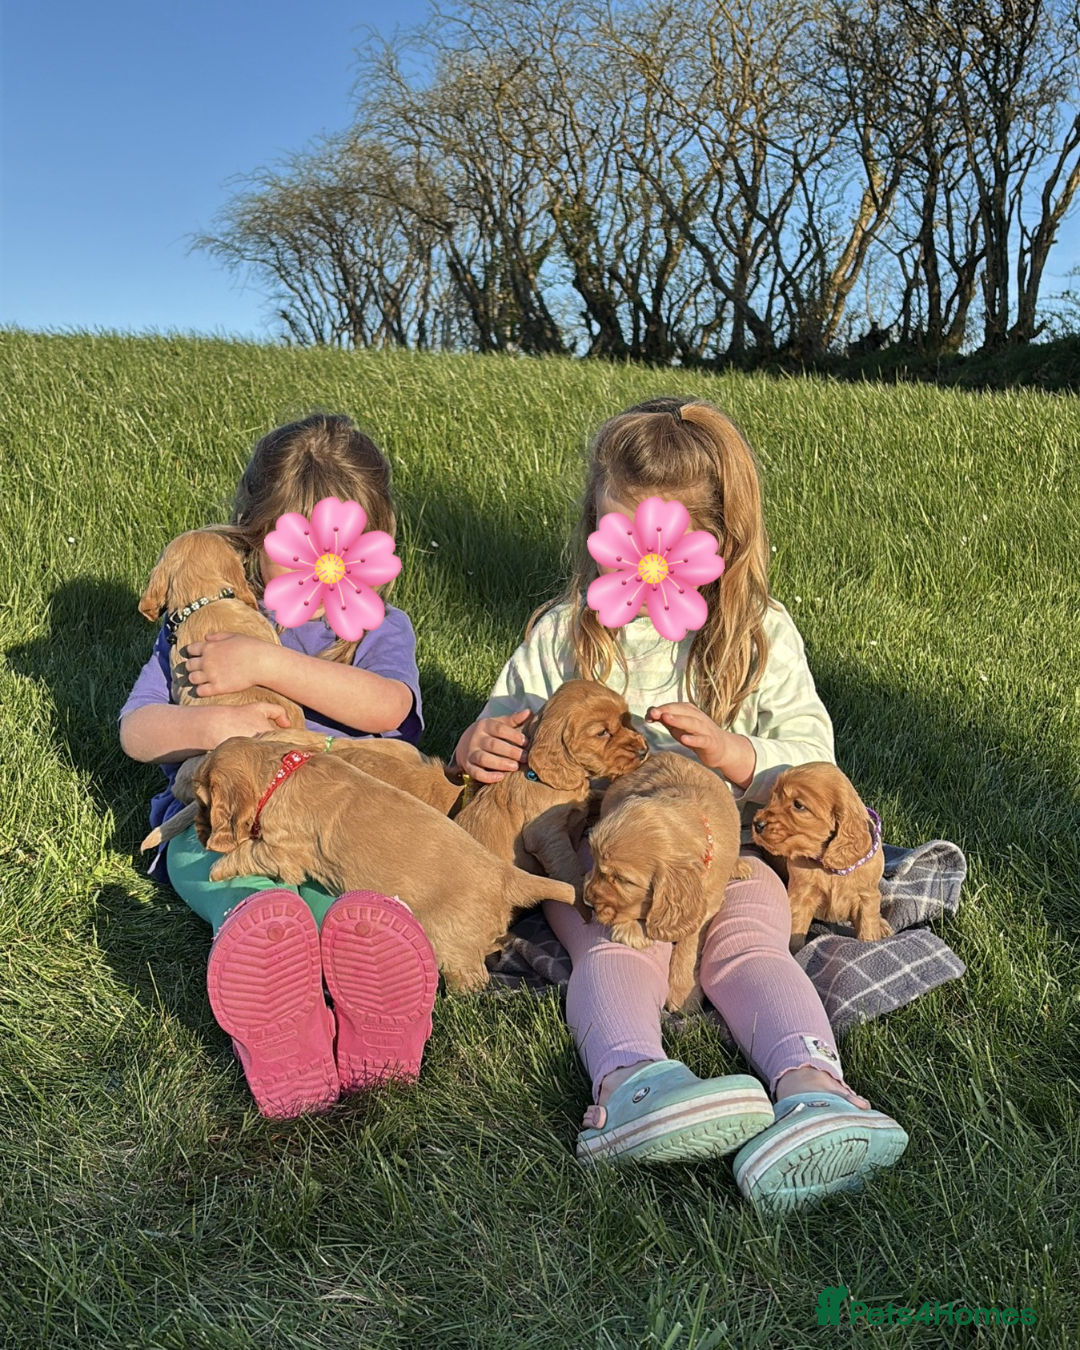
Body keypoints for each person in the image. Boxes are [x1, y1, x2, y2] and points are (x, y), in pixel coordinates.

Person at [452, 397, 908, 1211]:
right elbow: (509, 716)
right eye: (617, 540)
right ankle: (629, 1085)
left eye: (659, 545)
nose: (636, 565)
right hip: (600, 846)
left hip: (726, 847)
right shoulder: (566, 630)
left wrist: (737, 756)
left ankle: (815, 1089)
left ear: (719, 544)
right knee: (617, 944)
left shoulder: (759, 634)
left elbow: (813, 759)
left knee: (750, 946)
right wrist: (479, 741)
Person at [119, 413, 438, 1119]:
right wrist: (214, 722)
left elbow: (389, 709)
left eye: (337, 549)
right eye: (290, 550)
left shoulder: (375, 625)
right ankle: (272, 991)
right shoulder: (208, 619)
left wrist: (267, 663)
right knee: (237, 883)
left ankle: (371, 1001)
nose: (316, 568)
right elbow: (138, 730)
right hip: (222, 819)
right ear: (249, 536)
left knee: (340, 905)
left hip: (326, 819)